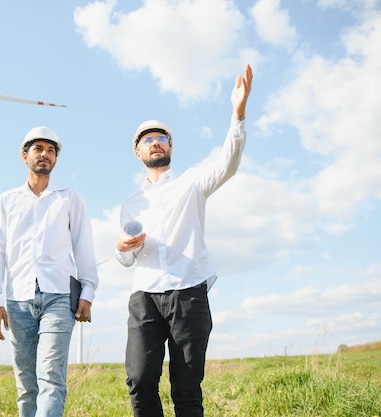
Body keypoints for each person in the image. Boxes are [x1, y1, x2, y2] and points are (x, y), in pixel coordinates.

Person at [115, 64, 253, 417]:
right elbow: (127, 259)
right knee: (140, 377)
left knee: (187, 386)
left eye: (162, 138)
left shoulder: (193, 182)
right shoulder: (130, 202)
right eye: (148, 139)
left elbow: (229, 162)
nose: (156, 142)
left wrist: (237, 115)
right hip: (145, 295)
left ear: (170, 147)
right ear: (138, 152)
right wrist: (122, 248)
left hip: (189, 292)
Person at [0, 126, 99, 417]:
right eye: (39, 149)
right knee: (26, 384)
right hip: (17, 300)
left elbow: (84, 247)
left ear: (56, 159)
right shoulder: (5, 202)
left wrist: (87, 292)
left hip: (59, 296)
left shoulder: (70, 198)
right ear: (25, 155)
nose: (45, 154)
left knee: (50, 376)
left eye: (51, 150)